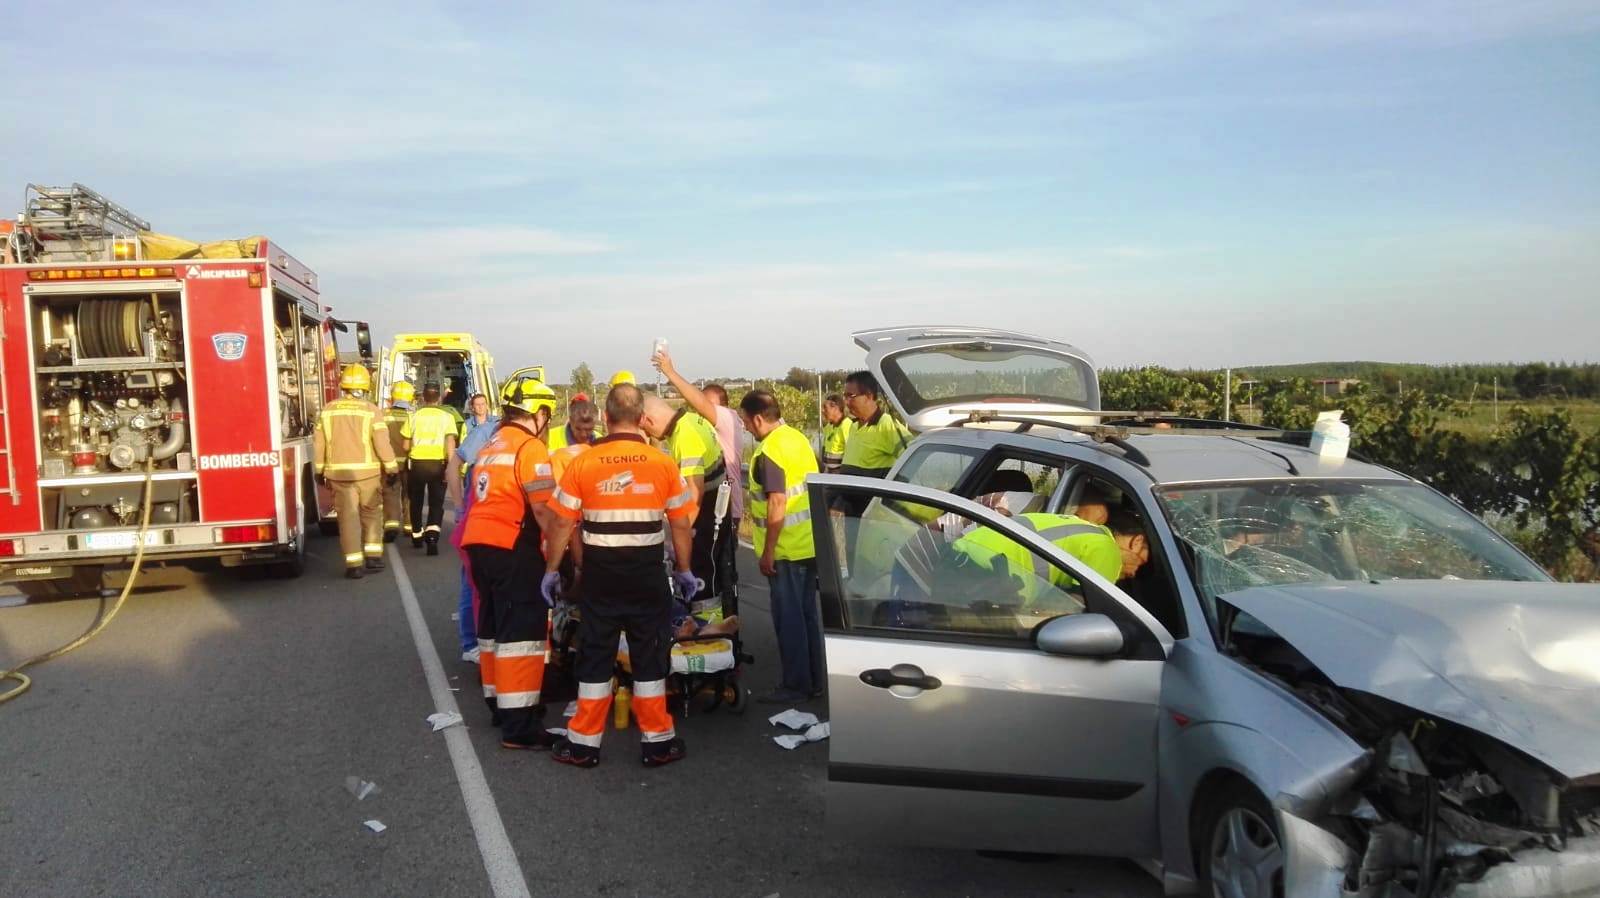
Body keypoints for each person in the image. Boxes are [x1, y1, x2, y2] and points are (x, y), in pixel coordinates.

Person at [542, 383, 697, 770]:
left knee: (596, 654)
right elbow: (681, 524)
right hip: (647, 575)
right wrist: (684, 569)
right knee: (649, 656)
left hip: (600, 576)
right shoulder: (662, 463)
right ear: (642, 419)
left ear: (605, 418)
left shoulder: (583, 463)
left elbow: (562, 522)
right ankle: (658, 742)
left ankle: (583, 744)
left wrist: (551, 570)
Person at [459, 379, 561, 749]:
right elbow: (542, 510)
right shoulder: (530, 447)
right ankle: (520, 725)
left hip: (479, 545)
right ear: (540, 413)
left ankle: (500, 705)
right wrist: (558, 557)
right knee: (522, 635)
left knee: (493, 627)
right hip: (512, 545)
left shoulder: (493, 442)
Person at [739, 389, 824, 704]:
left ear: (758, 419)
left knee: (789, 620)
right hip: (808, 544)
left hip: (786, 550)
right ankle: (813, 681)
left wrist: (768, 552)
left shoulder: (770, 450)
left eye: (745, 421)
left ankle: (796, 686)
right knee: (806, 617)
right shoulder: (797, 438)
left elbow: (777, 502)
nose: (745, 427)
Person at [652, 349, 743, 615]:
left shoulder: (726, 420)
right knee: (719, 574)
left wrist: (669, 372)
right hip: (720, 505)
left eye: (708, 405)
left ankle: (718, 626)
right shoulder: (699, 426)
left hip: (721, 507)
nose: (702, 409)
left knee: (714, 572)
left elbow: (695, 490)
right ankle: (724, 623)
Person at [640, 393, 735, 632]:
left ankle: (707, 633)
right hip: (715, 509)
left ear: (648, 420)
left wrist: (679, 536)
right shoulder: (692, 420)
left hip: (706, 515)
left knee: (702, 578)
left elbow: (694, 491)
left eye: (646, 430)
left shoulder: (685, 436)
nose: (651, 436)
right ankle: (713, 630)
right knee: (713, 574)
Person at [949, 509, 1150, 604]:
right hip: (990, 574)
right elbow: (1075, 609)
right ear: (1137, 542)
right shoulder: (1108, 550)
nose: (1134, 574)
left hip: (961, 554)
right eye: (1141, 562)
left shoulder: (1083, 529)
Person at [313, 364, 399, 579]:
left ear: (343, 386)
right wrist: (391, 468)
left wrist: (319, 469)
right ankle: (373, 557)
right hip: (368, 474)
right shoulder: (371, 410)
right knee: (371, 513)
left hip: (339, 474)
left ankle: (354, 565)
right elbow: (382, 443)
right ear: (364, 387)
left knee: (348, 518)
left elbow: (319, 443)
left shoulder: (328, 410)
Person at [451, 392, 499, 663]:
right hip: (476, 513)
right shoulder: (485, 431)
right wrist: (459, 508)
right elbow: (454, 464)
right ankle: (470, 644)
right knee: (471, 582)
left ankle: (484, 638)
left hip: (496, 519)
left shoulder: (499, 428)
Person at [401, 383, 458, 554]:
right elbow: (450, 444)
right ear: (439, 398)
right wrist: (451, 467)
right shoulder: (447, 417)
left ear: (423, 398)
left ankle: (417, 535)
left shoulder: (413, 417)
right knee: (436, 502)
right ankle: (432, 537)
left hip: (417, 465)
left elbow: (405, 446)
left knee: (416, 501)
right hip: (437, 465)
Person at [839, 370, 912, 478]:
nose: (846, 402)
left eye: (851, 396)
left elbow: (913, 458)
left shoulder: (887, 425)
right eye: (845, 396)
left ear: (869, 395)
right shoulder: (854, 426)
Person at [381, 381, 415, 543]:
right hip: (410, 463)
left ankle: (391, 525)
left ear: (392, 398)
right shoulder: (413, 417)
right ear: (411, 399)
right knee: (409, 494)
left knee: (390, 494)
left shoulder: (383, 416)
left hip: (390, 464)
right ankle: (409, 526)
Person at [819, 393, 854, 473]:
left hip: (840, 473)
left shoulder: (846, 425)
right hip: (828, 472)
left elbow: (850, 452)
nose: (822, 411)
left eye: (825, 408)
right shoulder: (829, 427)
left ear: (835, 408)